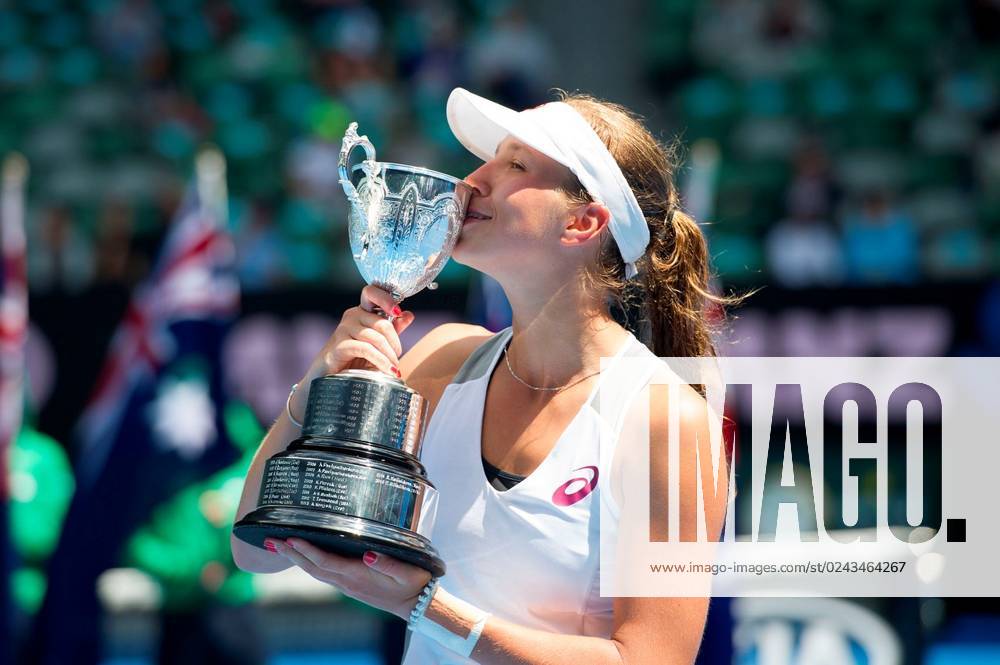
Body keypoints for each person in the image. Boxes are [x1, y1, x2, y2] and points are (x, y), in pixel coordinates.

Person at [232, 87, 730, 664]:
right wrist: (318, 391)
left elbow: (653, 659)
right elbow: (258, 548)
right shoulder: (440, 363)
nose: (470, 180)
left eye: (514, 164)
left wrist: (427, 606)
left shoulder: (668, 419)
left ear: (584, 222)